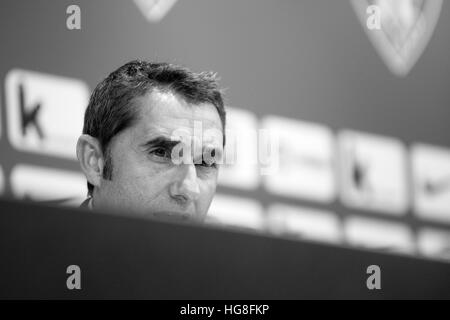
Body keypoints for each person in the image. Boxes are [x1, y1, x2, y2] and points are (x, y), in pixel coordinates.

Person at [76, 60, 226, 222]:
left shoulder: (232, 247)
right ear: (94, 162)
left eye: (205, 163)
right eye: (161, 153)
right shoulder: (46, 244)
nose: (188, 189)